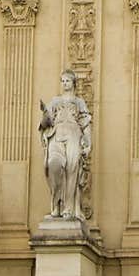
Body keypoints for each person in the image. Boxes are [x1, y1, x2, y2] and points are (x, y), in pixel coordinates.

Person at [38, 69, 92, 221]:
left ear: (74, 83)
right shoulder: (55, 101)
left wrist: (88, 144)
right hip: (57, 134)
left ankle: (68, 208)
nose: (64, 83)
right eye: (62, 81)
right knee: (53, 164)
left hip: (74, 134)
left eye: (67, 80)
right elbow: (44, 124)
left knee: (72, 169)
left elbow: (86, 124)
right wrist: (45, 117)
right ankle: (56, 203)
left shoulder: (79, 102)